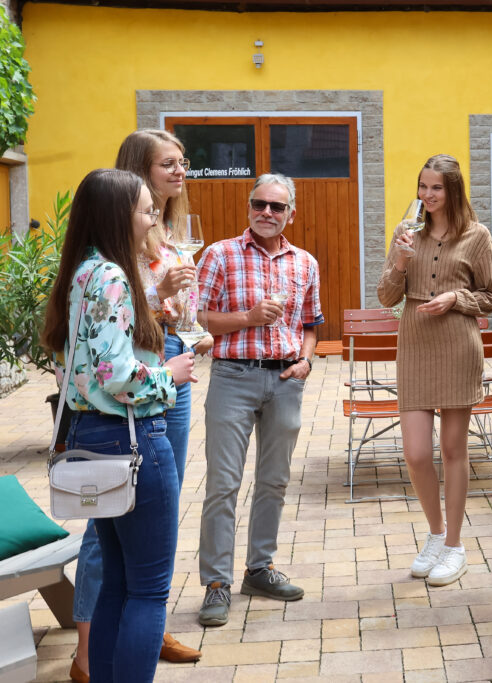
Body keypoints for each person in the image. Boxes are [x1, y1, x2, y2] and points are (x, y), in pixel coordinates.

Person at [41, 168, 197, 682]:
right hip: (132, 439)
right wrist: (169, 376)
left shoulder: (83, 270)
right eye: (147, 211)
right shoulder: (111, 275)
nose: (154, 220)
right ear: (117, 216)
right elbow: (118, 374)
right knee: (148, 591)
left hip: (90, 434)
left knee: (117, 584)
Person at [194, 173, 322, 626]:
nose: (266, 212)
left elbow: (310, 323)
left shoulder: (305, 262)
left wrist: (305, 361)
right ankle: (216, 583)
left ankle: (259, 570)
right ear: (249, 207)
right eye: (259, 204)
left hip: (285, 380)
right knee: (223, 483)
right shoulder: (220, 254)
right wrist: (247, 317)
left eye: (276, 206)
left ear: (291, 214)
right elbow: (199, 317)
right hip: (233, 377)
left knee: (274, 480)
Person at [377, 154, 492, 587]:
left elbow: (491, 297)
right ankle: (434, 534)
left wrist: (455, 298)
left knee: (452, 450)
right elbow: (385, 296)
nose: (427, 195)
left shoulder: (477, 236)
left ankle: (454, 545)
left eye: (436, 188)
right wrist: (399, 261)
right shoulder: (407, 232)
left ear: (452, 190)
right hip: (414, 345)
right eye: (422, 186)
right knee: (415, 453)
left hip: (456, 344)